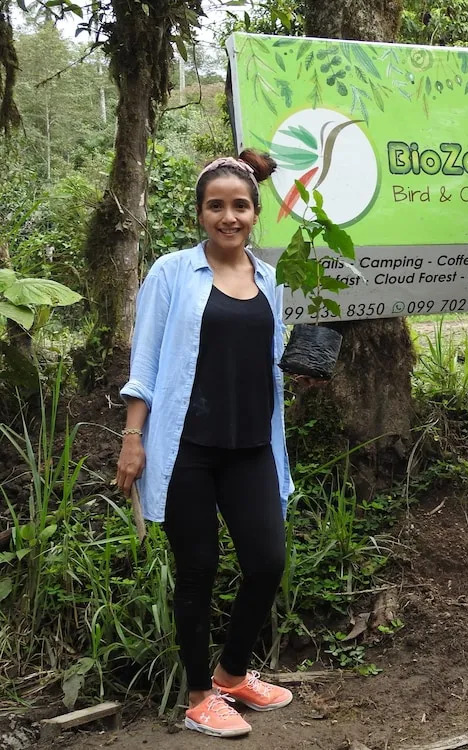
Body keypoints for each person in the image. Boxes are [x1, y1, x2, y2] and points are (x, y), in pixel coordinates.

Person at [116, 151, 295, 737]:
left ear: (255, 212)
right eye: (215, 206)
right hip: (188, 446)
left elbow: (264, 360)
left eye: (239, 205)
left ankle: (231, 674)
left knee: (266, 563)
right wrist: (133, 438)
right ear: (199, 214)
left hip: (251, 447)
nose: (228, 216)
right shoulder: (172, 273)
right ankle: (198, 697)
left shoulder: (269, 278)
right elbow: (145, 363)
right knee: (197, 569)